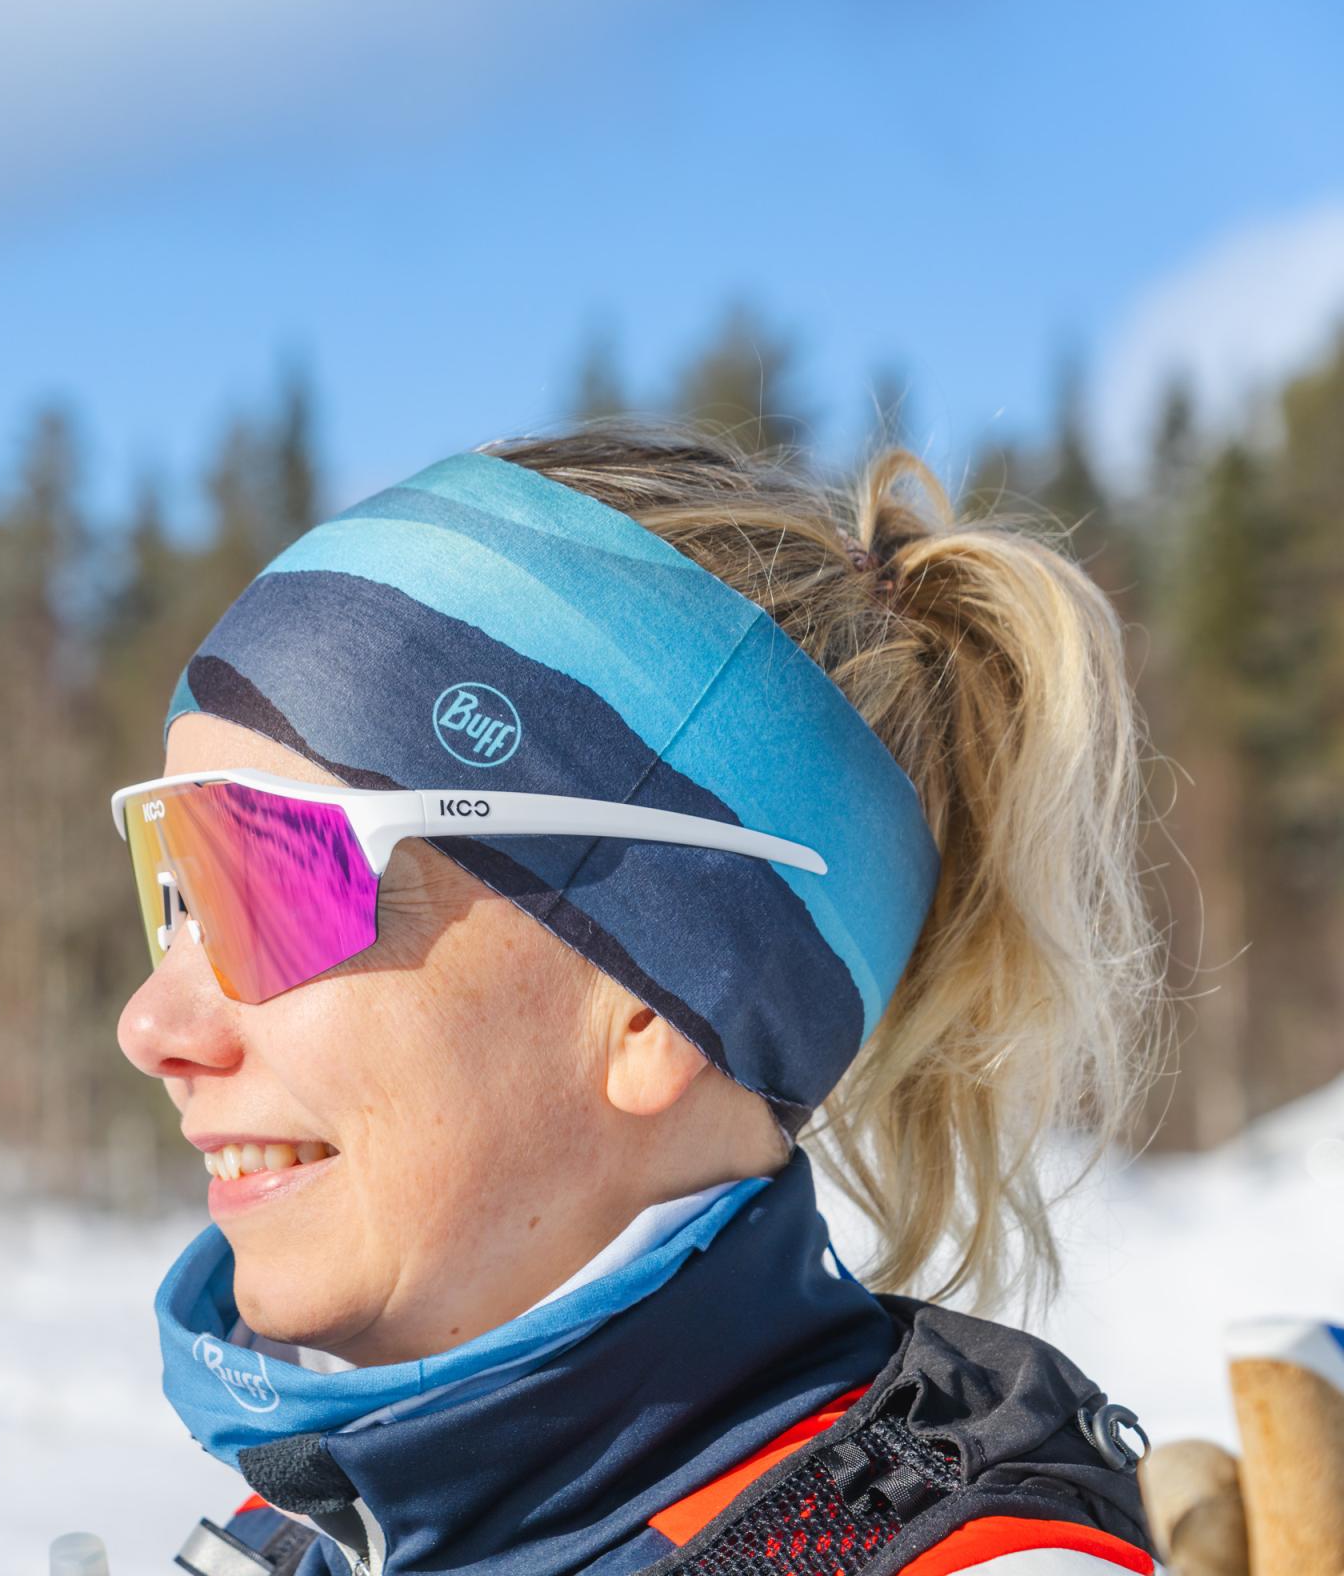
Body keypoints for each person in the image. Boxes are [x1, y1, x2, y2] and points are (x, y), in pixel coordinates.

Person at [116, 430, 1162, 1576]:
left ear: (655, 1000)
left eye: (272, 880)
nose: (152, 1027)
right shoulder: (319, 1533)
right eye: (175, 889)